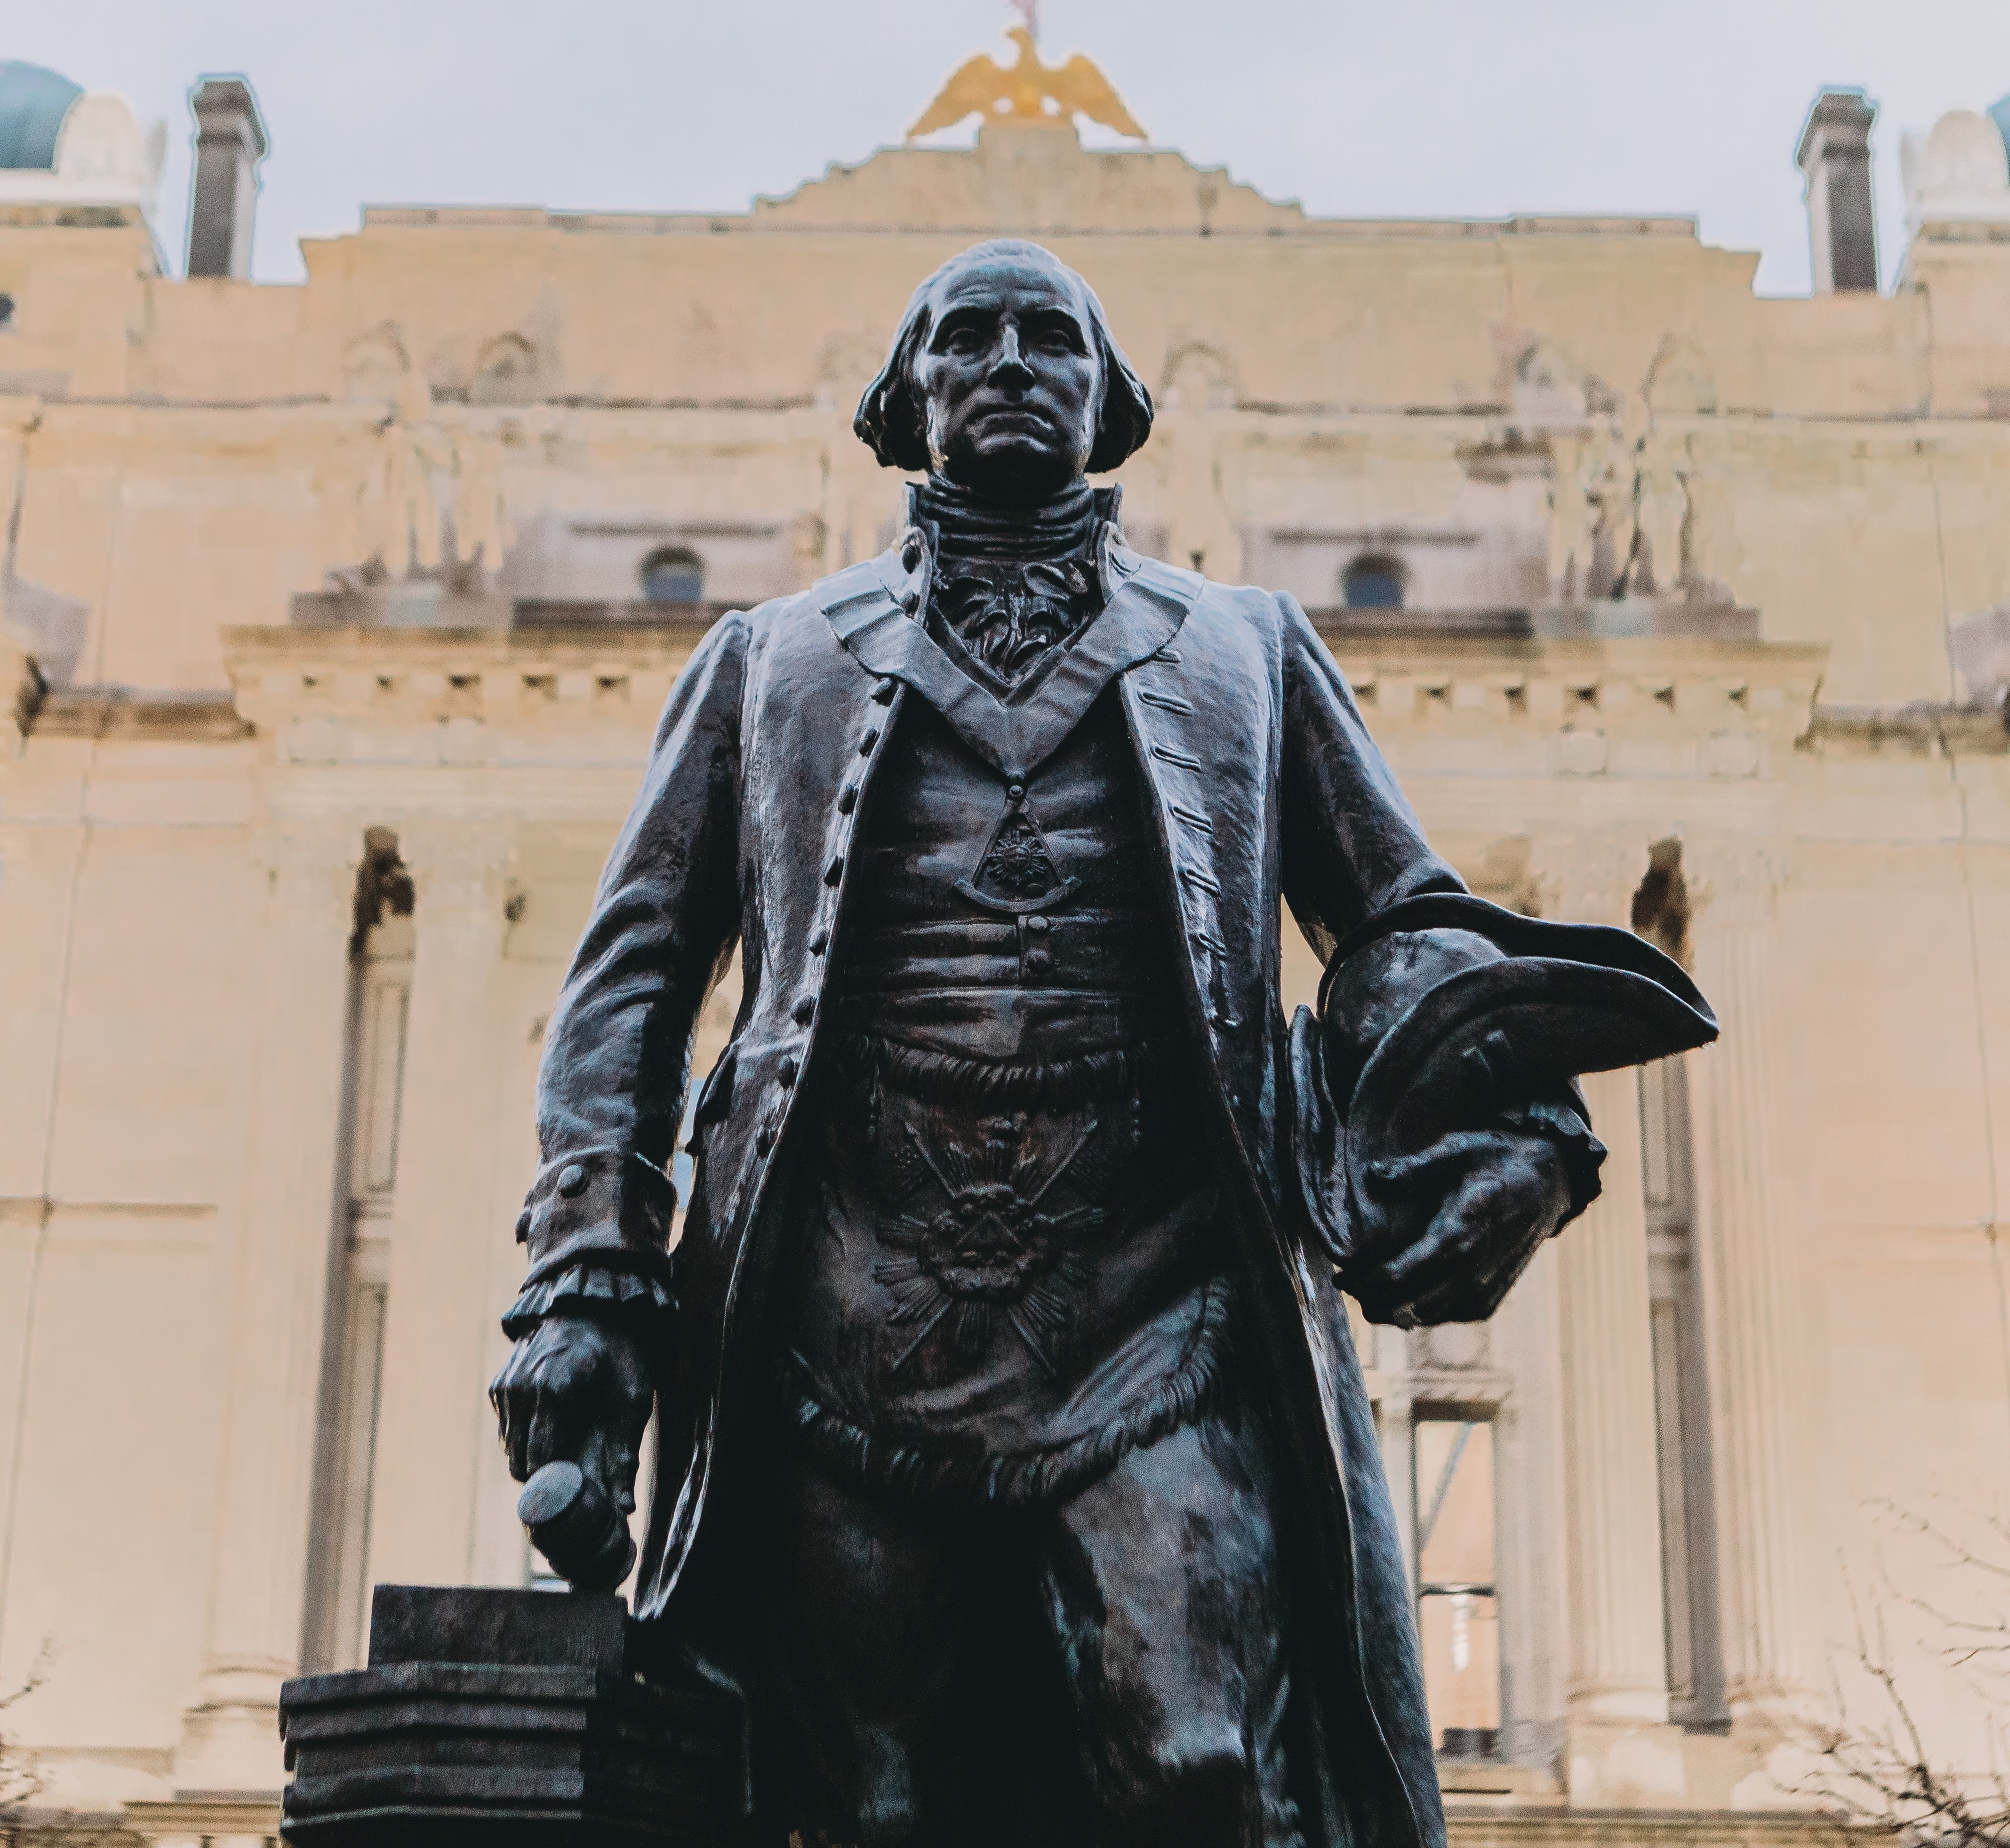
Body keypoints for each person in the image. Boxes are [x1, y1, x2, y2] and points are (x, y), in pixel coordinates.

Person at [491, 239, 1712, 1847]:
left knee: (1204, 1767)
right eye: (966, 336)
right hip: (843, 1316)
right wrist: (587, 1272)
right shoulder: (767, 661)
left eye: (1050, 334)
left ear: (1111, 401)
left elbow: (1403, 919)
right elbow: (632, 975)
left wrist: (1501, 1124)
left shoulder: (1250, 650)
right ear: (905, 397)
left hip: (1159, 1307)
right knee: (865, 1805)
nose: (1008, 360)